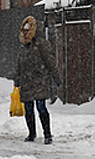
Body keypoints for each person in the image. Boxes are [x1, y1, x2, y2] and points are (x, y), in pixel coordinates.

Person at [14, 16, 61, 144]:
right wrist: (17, 79)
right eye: (23, 30)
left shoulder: (41, 44)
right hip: (27, 83)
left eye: (27, 30)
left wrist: (56, 77)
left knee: (41, 107)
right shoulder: (24, 46)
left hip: (40, 81)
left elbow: (50, 62)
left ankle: (47, 134)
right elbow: (19, 64)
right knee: (28, 109)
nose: (24, 32)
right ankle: (32, 133)